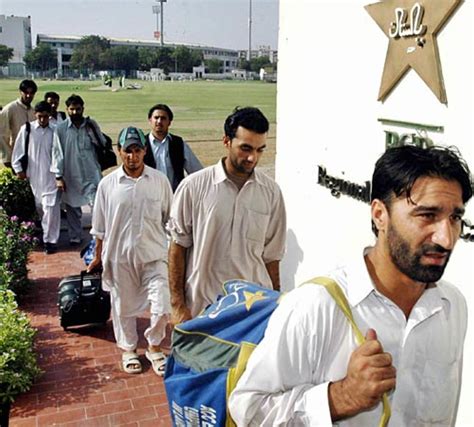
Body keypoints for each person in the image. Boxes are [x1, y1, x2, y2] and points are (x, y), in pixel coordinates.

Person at [229, 145, 472, 426]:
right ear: (380, 215)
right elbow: (247, 408)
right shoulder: (316, 306)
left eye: (455, 218)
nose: (446, 238)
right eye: (427, 215)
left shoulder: (452, 306)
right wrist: (340, 398)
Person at [167, 106, 286, 323]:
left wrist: (276, 304)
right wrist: (177, 305)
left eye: (260, 150)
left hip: (253, 312)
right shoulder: (193, 187)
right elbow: (177, 247)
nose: (252, 158)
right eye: (246, 148)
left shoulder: (271, 192)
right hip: (203, 309)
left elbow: (272, 257)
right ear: (226, 141)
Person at [87, 126, 172, 376]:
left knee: (162, 304)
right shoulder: (107, 185)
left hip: (154, 255)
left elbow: (171, 218)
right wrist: (97, 256)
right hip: (119, 257)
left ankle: (154, 346)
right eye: (127, 151)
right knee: (123, 307)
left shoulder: (159, 181)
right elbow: (99, 227)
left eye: (137, 150)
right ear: (119, 151)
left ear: (145, 151)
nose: (132, 157)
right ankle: (128, 349)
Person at [51, 94, 105, 245]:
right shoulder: (60, 129)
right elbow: (57, 152)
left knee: (97, 207)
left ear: (83, 108)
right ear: (67, 109)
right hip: (71, 174)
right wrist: (58, 176)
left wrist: (93, 134)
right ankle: (75, 236)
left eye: (78, 109)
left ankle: (98, 237)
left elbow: (102, 144)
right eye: (72, 109)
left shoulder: (91, 125)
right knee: (72, 208)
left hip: (91, 173)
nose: (75, 112)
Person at [11, 101, 60, 254]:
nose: (42, 120)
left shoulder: (56, 130)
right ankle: (46, 234)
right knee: (41, 208)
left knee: (50, 208)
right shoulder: (27, 130)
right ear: (35, 115)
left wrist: (60, 175)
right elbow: (18, 151)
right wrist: (18, 169)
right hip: (34, 177)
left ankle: (49, 241)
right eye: (39, 117)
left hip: (51, 177)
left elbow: (60, 155)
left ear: (49, 116)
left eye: (45, 117)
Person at [144, 103, 202, 191]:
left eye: (163, 118)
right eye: (156, 118)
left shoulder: (178, 144)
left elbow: (197, 172)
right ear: (150, 120)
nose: (159, 121)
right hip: (148, 199)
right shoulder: (141, 144)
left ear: (169, 122)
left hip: (174, 199)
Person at [0, 79, 38, 166]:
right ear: (20, 92)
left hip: (32, 158)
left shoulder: (34, 111)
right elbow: (1, 134)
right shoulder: (10, 109)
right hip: (14, 158)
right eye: (26, 92)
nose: (28, 95)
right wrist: (8, 157)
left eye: (31, 93)